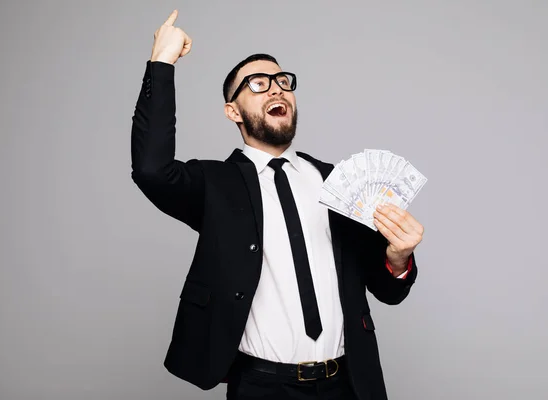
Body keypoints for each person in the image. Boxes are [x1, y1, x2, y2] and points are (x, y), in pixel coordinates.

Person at [130, 9, 424, 400]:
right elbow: (150, 169)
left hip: (348, 384)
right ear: (232, 111)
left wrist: (399, 258)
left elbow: (386, 289)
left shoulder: (339, 182)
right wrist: (161, 62)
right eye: (257, 84)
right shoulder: (215, 185)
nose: (276, 89)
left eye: (283, 81)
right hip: (262, 387)